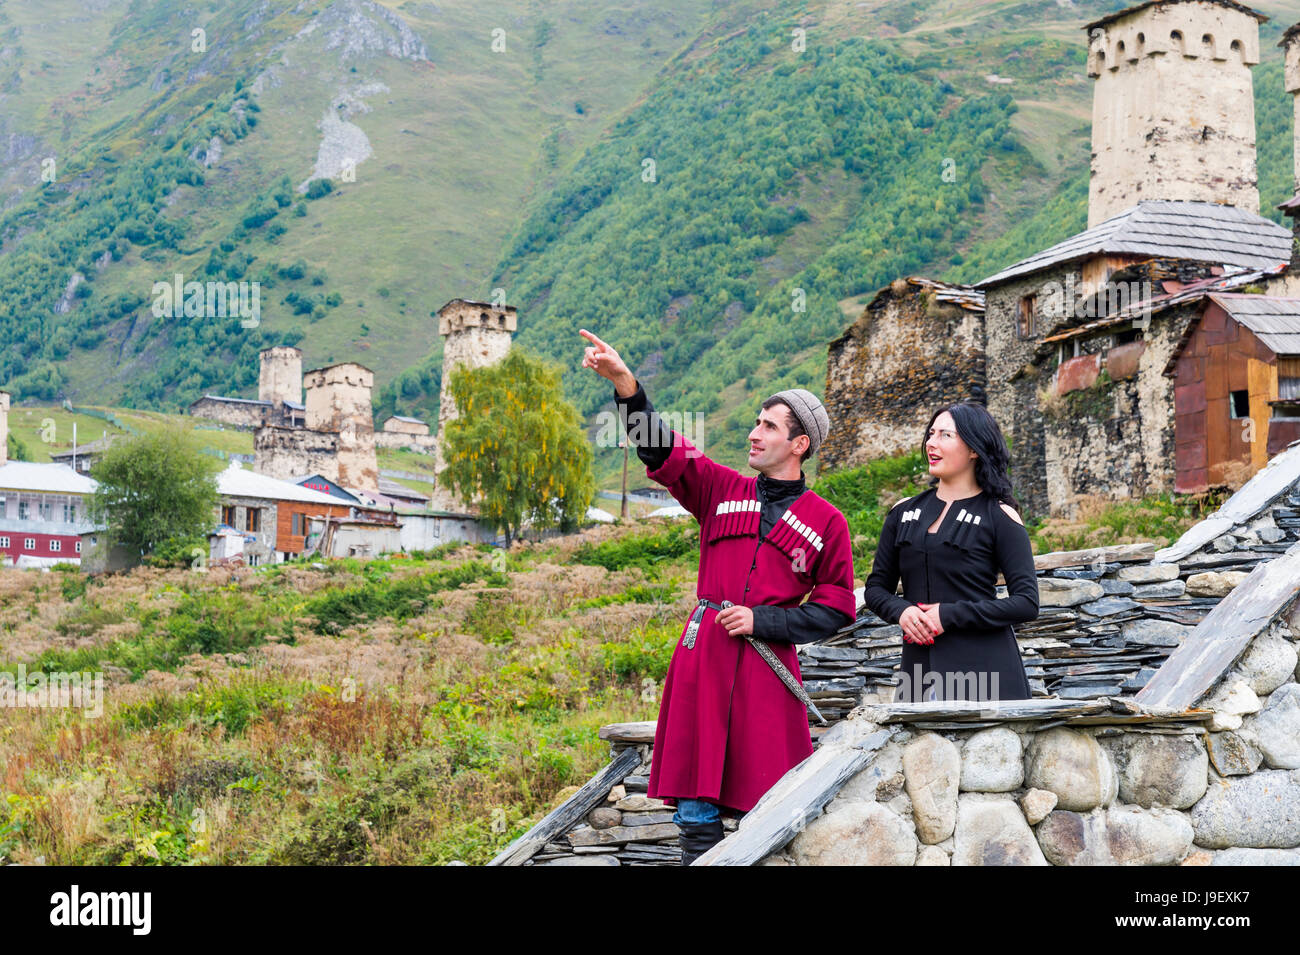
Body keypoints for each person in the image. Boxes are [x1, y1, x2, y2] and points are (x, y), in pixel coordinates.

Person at [579, 329, 856, 865]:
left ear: (799, 445)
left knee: (769, 797)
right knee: (696, 805)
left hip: (765, 667)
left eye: (768, 426)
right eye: (756, 421)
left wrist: (766, 621)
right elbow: (662, 448)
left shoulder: (827, 522)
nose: (754, 434)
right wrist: (625, 386)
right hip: (703, 658)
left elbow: (838, 605)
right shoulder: (721, 489)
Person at [862, 401, 1038, 703]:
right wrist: (902, 611)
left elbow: (1026, 603)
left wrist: (950, 614)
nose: (932, 442)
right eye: (931, 434)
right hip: (918, 675)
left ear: (974, 449)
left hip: (986, 675)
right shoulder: (903, 513)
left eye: (946, 435)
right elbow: (876, 589)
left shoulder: (1000, 517)